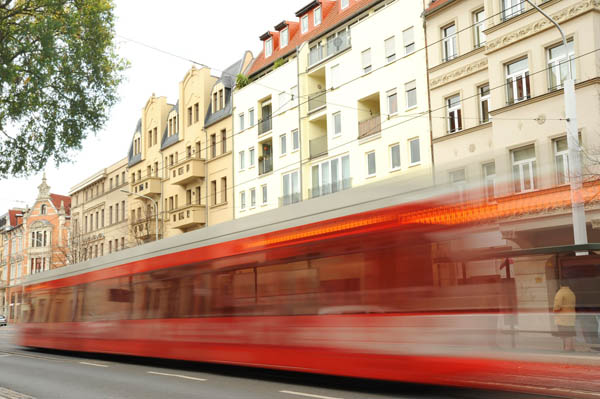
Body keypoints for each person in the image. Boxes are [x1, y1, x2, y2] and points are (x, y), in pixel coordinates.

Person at [553, 282, 577, 352]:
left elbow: (557, 306)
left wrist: (555, 311)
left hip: (563, 317)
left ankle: (567, 349)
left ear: (560, 285)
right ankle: (571, 348)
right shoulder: (571, 292)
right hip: (571, 317)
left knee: (565, 334)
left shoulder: (560, 293)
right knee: (570, 334)